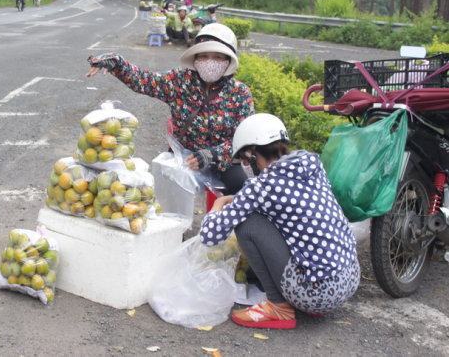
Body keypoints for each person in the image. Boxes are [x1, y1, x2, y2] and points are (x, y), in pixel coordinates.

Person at [200, 113, 360, 330]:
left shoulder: (262, 186)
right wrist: (240, 199)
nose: (247, 165)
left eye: (247, 160)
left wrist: (218, 206)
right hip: (348, 279)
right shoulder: (311, 164)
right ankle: (306, 300)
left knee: (248, 224)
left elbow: (210, 236)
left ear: (254, 152)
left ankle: (278, 306)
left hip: (318, 293)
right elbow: (292, 199)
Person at [86, 23, 253, 195]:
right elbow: (144, 80)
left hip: (222, 162)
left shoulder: (240, 94)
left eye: (218, 57)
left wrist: (211, 156)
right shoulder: (179, 81)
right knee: (165, 202)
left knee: (243, 189)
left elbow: (245, 142)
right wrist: (115, 63)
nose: (210, 62)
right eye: (204, 56)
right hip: (182, 158)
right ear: (195, 58)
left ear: (228, 60)